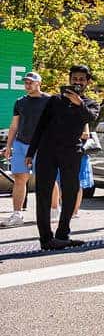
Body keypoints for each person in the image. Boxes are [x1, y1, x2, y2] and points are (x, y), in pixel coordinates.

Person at [24, 65, 100, 250]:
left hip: (71, 151)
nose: (78, 82)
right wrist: (30, 152)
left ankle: (63, 234)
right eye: (75, 78)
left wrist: (78, 103)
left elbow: (91, 118)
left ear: (87, 82)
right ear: (69, 79)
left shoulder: (90, 103)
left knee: (70, 192)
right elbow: (41, 126)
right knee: (43, 193)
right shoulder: (55, 100)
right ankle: (46, 239)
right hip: (47, 151)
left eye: (82, 79)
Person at [1, 71, 50, 228]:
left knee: (47, 180)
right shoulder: (20, 102)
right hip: (21, 144)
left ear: (39, 83)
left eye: (31, 82)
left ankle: (54, 210)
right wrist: (8, 146)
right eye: (26, 82)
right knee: (19, 179)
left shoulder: (49, 100)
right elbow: (14, 125)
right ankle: (17, 215)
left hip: (41, 146)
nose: (28, 85)